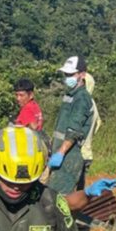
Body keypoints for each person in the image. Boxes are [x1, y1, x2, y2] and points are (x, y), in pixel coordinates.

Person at [47, 55, 95, 195]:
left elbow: (74, 129)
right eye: (66, 74)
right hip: (60, 152)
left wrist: (61, 153)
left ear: (82, 74)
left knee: (56, 198)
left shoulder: (82, 98)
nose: (67, 77)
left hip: (69, 156)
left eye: (71, 74)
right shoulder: (70, 95)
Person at [77, 72, 102, 181]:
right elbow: (98, 124)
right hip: (87, 153)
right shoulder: (92, 103)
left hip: (78, 154)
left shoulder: (83, 103)